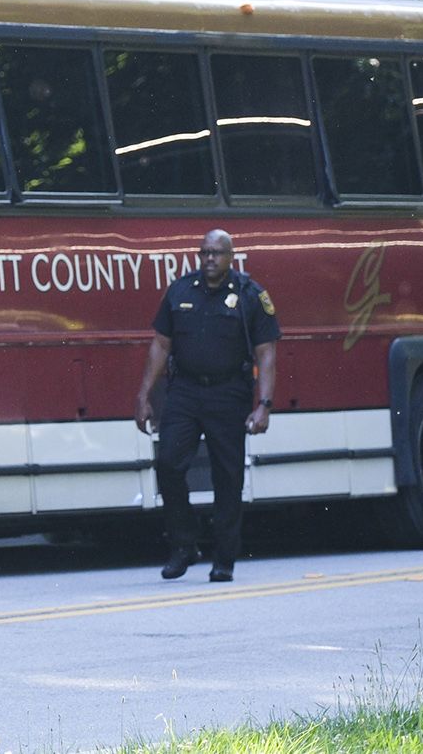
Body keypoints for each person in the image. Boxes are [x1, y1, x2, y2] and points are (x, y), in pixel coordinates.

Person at [135, 228, 281, 583]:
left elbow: (267, 352)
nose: (209, 259)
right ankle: (184, 545)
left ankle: (224, 558)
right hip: (184, 391)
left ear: (231, 257)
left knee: (227, 476)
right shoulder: (181, 290)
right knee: (168, 463)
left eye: (216, 253)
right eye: (204, 253)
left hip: (228, 392)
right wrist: (144, 396)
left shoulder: (251, 295)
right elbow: (161, 346)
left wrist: (263, 405)